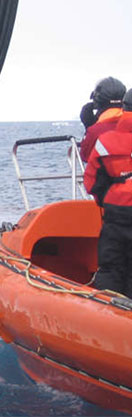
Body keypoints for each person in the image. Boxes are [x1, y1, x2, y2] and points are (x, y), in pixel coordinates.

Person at [84, 88, 132, 296]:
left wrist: (107, 200)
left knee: (112, 266)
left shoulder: (106, 141)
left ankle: (108, 316)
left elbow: (92, 182)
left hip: (117, 212)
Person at [79, 77, 126, 162]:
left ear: (97, 103)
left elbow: (85, 156)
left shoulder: (95, 131)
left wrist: (89, 127)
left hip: (107, 174)